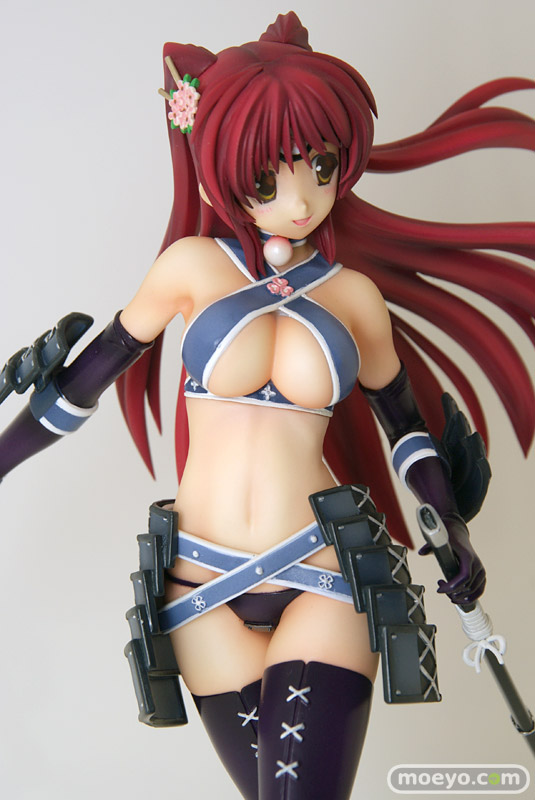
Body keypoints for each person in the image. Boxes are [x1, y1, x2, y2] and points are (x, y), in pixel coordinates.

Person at [1, 11, 534, 800]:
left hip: (322, 570)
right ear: (221, 168)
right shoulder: (188, 268)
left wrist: (448, 524)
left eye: (320, 166)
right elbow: (78, 387)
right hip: (197, 589)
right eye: (268, 178)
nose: (301, 199)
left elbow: (406, 430)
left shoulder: (353, 297)